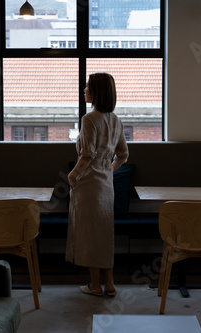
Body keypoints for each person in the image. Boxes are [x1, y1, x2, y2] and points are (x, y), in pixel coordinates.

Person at [66, 72, 129, 296]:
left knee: (91, 235)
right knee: (104, 233)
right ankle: (110, 284)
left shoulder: (89, 119)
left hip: (89, 185)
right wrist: (107, 170)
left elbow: (88, 154)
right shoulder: (116, 120)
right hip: (106, 185)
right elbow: (123, 155)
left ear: (97, 92)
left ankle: (95, 285)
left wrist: (72, 176)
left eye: (87, 87)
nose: (84, 90)